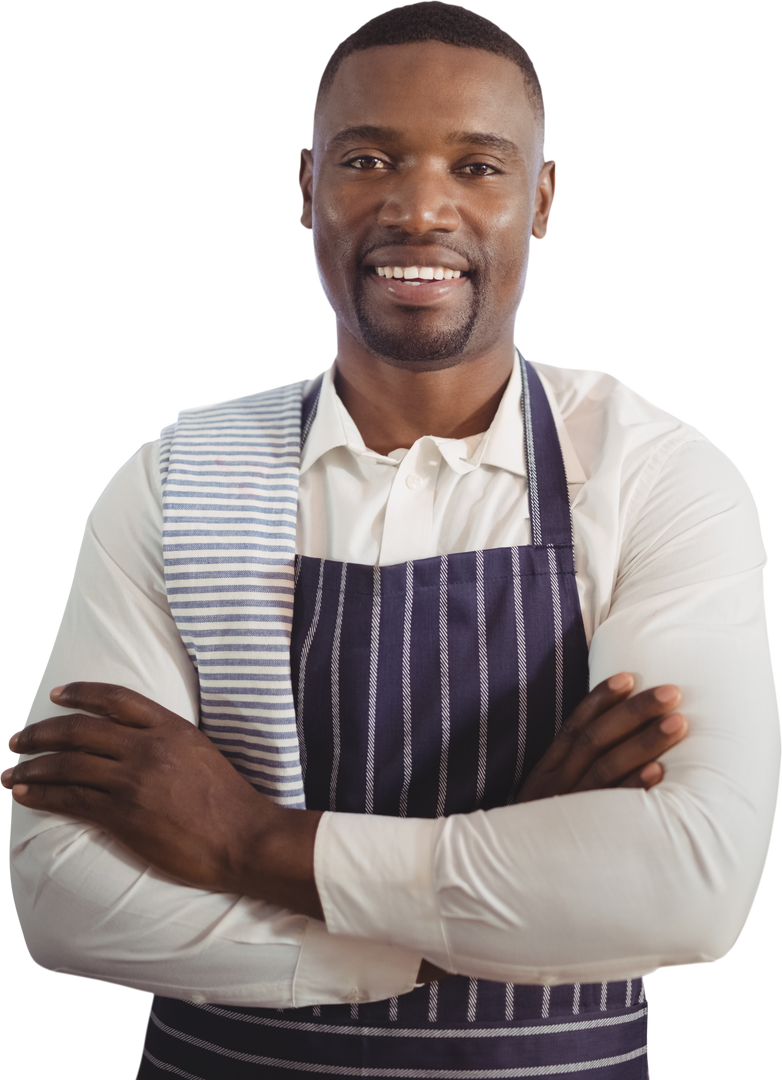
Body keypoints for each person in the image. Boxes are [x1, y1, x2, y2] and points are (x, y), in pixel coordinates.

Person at [4, 3, 779, 1077]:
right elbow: (62, 903)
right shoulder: (178, 477)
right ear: (305, 188)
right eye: (369, 158)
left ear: (541, 200)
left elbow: (689, 891)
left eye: (477, 166)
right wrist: (508, 900)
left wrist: (243, 844)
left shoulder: (654, 474)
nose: (421, 208)